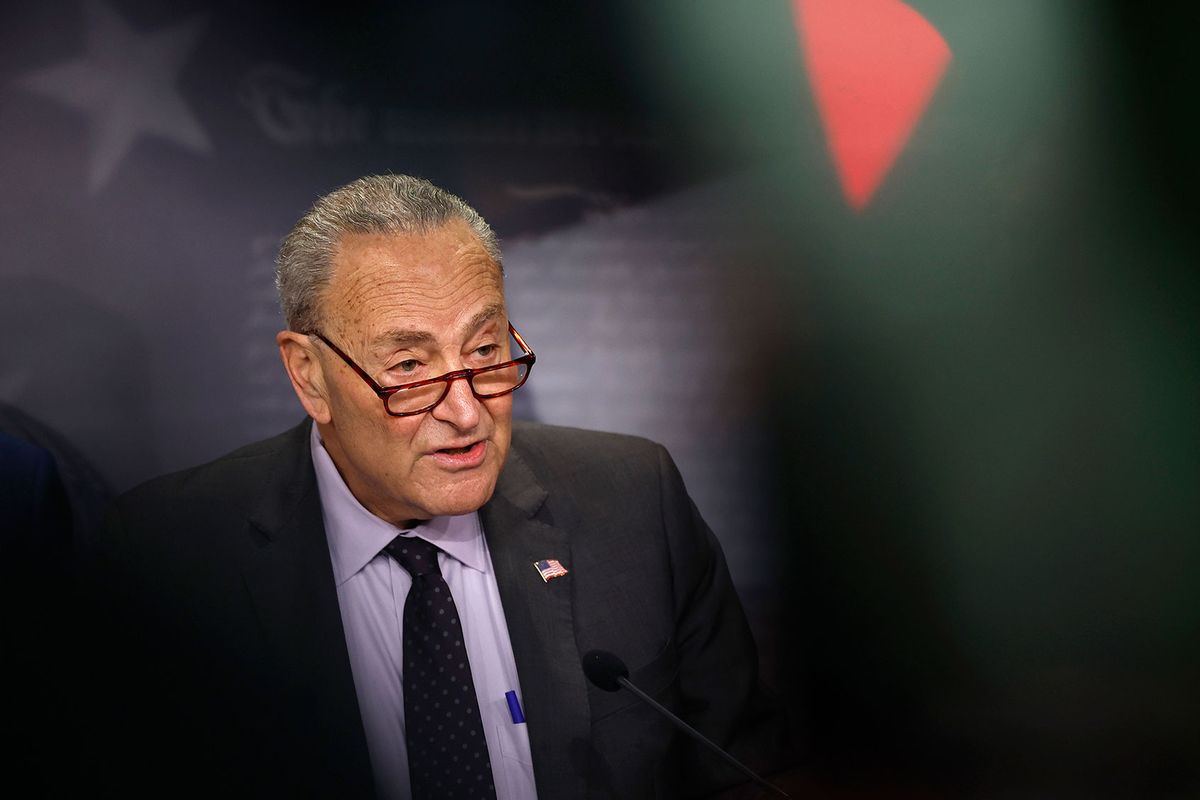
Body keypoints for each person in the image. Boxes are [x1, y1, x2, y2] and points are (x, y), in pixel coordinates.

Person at [91, 175, 789, 799]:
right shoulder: (168, 554)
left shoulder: (635, 501)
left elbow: (742, 770)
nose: (465, 412)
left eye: (485, 351)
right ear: (308, 375)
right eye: (410, 368)